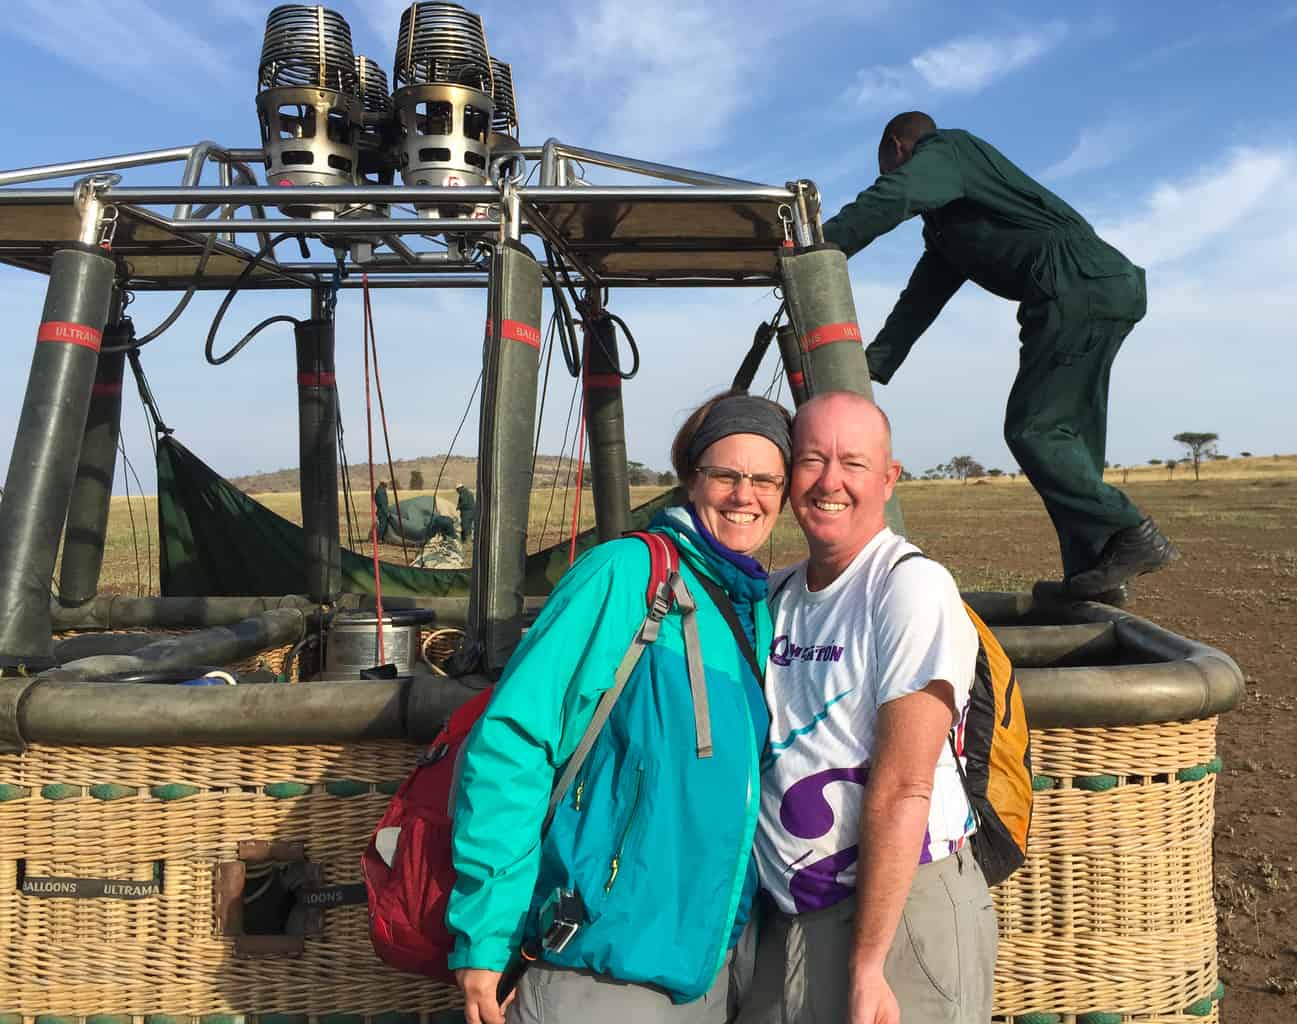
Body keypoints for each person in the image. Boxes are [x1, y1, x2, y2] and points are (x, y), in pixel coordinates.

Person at [448, 392, 793, 1024]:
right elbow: (512, 743)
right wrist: (485, 933)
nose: (746, 495)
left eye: (766, 479)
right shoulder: (627, 574)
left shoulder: (757, 607)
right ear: (691, 479)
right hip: (598, 965)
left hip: (706, 971)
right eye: (726, 475)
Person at [822, 110, 1176, 599]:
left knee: (1033, 430)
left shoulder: (947, 150)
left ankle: (1131, 530)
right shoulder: (952, 227)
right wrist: (874, 364)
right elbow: (922, 297)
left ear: (896, 147)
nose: (890, 173)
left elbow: (895, 196)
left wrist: (818, 247)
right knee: (1068, 436)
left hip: (1075, 282)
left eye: (888, 163)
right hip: (1090, 286)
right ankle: (1094, 575)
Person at [740, 392, 996, 1024]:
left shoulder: (907, 586)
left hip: (897, 912)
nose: (831, 481)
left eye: (853, 463)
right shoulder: (779, 594)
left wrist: (868, 965)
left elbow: (905, 785)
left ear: (888, 479)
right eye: (812, 460)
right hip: (794, 913)